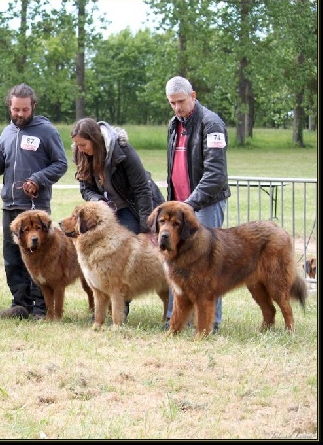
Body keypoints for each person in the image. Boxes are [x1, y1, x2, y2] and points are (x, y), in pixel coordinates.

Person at [0, 83, 68, 320]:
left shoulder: (46, 131)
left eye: (24, 110)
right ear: (9, 107)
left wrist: (38, 179)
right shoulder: (7, 132)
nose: (19, 114)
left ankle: (41, 308)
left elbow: (61, 163)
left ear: (33, 106)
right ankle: (20, 305)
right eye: (15, 110)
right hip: (10, 205)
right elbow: (1, 168)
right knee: (13, 259)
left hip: (34, 207)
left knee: (39, 258)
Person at [71, 118, 165, 322]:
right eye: (77, 145)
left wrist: (147, 228)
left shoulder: (123, 152)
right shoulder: (80, 153)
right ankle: (105, 311)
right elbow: (85, 187)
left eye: (83, 145)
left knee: (122, 258)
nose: (80, 149)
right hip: (109, 210)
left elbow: (142, 189)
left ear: (95, 140)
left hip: (136, 206)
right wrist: (99, 201)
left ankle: (121, 309)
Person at [163, 75, 231, 334]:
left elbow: (215, 175)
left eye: (181, 101)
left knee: (207, 265)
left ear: (193, 96)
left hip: (206, 205)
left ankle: (209, 323)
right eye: (172, 103)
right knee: (175, 260)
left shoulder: (211, 124)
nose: (177, 108)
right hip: (181, 206)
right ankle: (175, 320)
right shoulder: (174, 124)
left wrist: (188, 205)